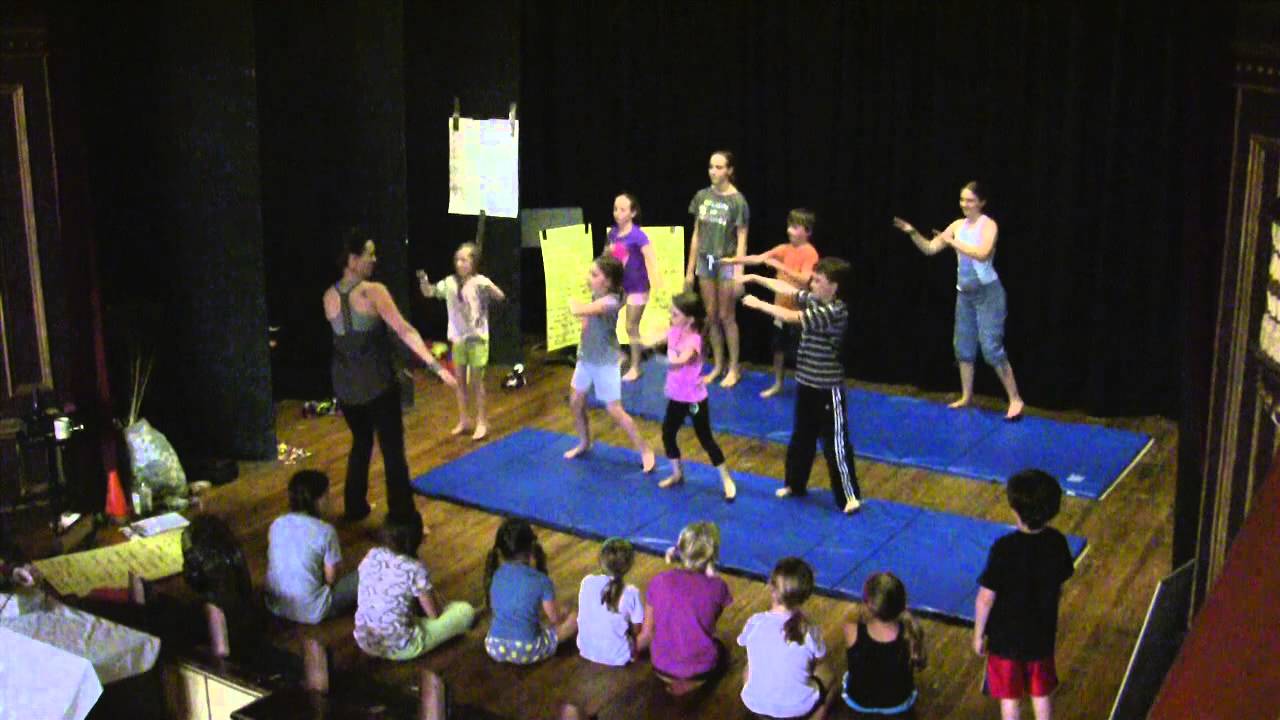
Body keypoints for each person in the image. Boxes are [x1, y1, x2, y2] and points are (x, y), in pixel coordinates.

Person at [324, 227, 457, 521]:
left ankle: (355, 506)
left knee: (361, 442)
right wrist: (436, 367)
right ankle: (402, 518)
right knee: (393, 452)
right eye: (369, 254)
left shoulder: (328, 296)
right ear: (353, 259)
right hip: (377, 387)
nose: (375, 259)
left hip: (345, 389)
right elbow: (405, 331)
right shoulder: (374, 291)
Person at [892, 181, 1025, 420]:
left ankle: (1015, 399)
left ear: (981, 202)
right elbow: (930, 248)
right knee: (963, 346)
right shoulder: (957, 225)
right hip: (964, 294)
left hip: (988, 294)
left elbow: (983, 253)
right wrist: (913, 233)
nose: (965, 204)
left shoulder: (988, 225)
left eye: (970, 200)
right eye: (962, 199)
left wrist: (954, 243)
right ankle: (967, 396)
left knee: (991, 348)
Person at [740, 258, 862, 513]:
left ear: (834, 287)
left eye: (819, 280)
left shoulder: (834, 312)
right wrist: (755, 279)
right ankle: (795, 484)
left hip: (828, 388)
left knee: (835, 443)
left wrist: (759, 304)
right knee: (801, 438)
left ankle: (849, 496)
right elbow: (786, 289)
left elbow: (791, 315)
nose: (812, 283)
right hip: (806, 384)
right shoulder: (816, 299)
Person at [973, 469, 1075, 720]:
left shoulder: (1004, 549)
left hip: (1005, 641)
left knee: (1010, 698)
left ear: (1015, 510)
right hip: (1041, 635)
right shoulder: (1057, 542)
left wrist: (978, 635)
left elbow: (986, 598)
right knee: (1041, 694)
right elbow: (1059, 583)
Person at [563, 255, 656, 472]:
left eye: (594, 275)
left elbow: (579, 311)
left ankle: (645, 449)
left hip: (605, 362)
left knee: (614, 409)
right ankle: (585, 441)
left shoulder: (610, 301)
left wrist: (572, 302)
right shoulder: (597, 295)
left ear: (608, 281)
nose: (589, 278)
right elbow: (586, 322)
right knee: (576, 401)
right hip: (586, 358)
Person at [644, 291, 737, 500]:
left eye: (675, 314)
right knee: (668, 433)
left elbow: (681, 360)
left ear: (690, 319)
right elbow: (656, 339)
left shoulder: (694, 341)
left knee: (705, 438)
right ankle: (677, 473)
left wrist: (660, 359)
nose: (671, 316)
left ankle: (726, 479)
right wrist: (645, 340)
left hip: (694, 400)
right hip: (676, 398)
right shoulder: (674, 330)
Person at [724, 208, 821, 398]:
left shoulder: (810, 253)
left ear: (807, 231)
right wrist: (733, 260)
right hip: (779, 309)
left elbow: (805, 280)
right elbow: (759, 258)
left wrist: (780, 266)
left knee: (803, 352)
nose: (789, 231)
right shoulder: (784, 248)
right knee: (779, 348)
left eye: (795, 227)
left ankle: (809, 387)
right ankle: (777, 383)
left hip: (799, 312)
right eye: (789, 226)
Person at [353, 512, 475, 660]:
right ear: (417, 538)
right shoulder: (415, 569)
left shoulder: (373, 554)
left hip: (365, 641)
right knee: (465, 611)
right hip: (399, 647)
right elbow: (434, 614)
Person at [418, 242, 506, 440]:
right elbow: (429, 292)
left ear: (473, 263)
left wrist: (489, 287)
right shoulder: (449, 282)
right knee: (460, 382)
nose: (459, 263)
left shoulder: (480, 282)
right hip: (458, 339)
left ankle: (482, 421)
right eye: (457, 259)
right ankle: (464, 419)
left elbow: (500, 297)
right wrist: (423, 280)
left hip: (477, 339)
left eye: (464, 260)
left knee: (476, 382)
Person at [635, 521, 733, 695]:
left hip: (661, 667)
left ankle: (681, 681)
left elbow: (648, 632)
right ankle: (692, 684)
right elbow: (710, 623)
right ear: (712, 556)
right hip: (701, 671)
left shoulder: (659, 580)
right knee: (724, 647)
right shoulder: (719, 587)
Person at [686, 150, 750, 387]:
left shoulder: (738, 201)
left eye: (720, 167)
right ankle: (718, 365)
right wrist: (689, 270)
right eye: (711, 166)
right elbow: (697, 233)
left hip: (726, 261)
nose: (714, 171)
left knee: (726, 315)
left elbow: (742, 239)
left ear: (730, 171)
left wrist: (739, 273)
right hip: (706, 260)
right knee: (711, 315)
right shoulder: (702, 196)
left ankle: (734, 368)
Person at [738, 557, 829, 720]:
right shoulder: (809, 629)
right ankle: (818, 714)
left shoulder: (755, 622)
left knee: (748, 665)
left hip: (756, 704)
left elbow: (745, 645)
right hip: (798, 708)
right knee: (829, 676)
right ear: (806, 596)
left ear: (771, 587)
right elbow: (820, 659)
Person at [264, 470, 358, 624]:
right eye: (327, 495)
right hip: (311, 611)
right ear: (318, 500)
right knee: (365, 575)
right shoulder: (325, 531)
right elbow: (331, 579)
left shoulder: (277, 523)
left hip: (275, 604)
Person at [484, 518, 578, 664]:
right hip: (527, 649)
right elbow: (555, 619)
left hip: (493, 646)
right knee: (574, 618)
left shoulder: (496, 573)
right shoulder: (541, 580)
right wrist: (566, 614)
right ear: (531, 548)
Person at [839, 572, 927, 718]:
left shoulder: (852, 627)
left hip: (860, 701)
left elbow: (853, 614)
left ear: (868, 604)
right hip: (897, 703)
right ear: (903, 604)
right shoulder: (910, 633)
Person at [605, 192, 660, 382]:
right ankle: (619, 355)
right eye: (615, 209)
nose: (617, 213)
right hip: (621, 287)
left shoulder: (638, 235)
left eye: (622, 210)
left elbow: (651, 258)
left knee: (631, 326)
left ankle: (636, 367)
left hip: (638, 287)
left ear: (633, 213)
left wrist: (657, 282)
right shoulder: (613, 233)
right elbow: (609, 258)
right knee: (605, 318)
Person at [576, 537, 646, 666]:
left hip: (585, 649)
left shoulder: (587, 581)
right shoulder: (631, 592)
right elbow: (637, 630)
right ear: (629, 565)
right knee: (651, 629)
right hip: (618, 656)